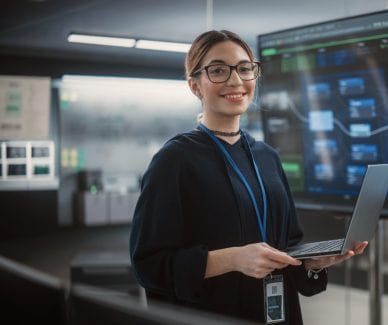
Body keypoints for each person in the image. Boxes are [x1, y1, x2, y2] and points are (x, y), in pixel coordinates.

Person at [129, 30, 367, 324]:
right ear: (195, 86)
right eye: (218, 70)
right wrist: (232, 259)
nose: (235, 80)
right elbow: (149, 266)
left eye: (244, 68)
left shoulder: (267, 156)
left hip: (277, 313)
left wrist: (312, 263)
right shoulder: (174, 160)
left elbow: (289, 243)